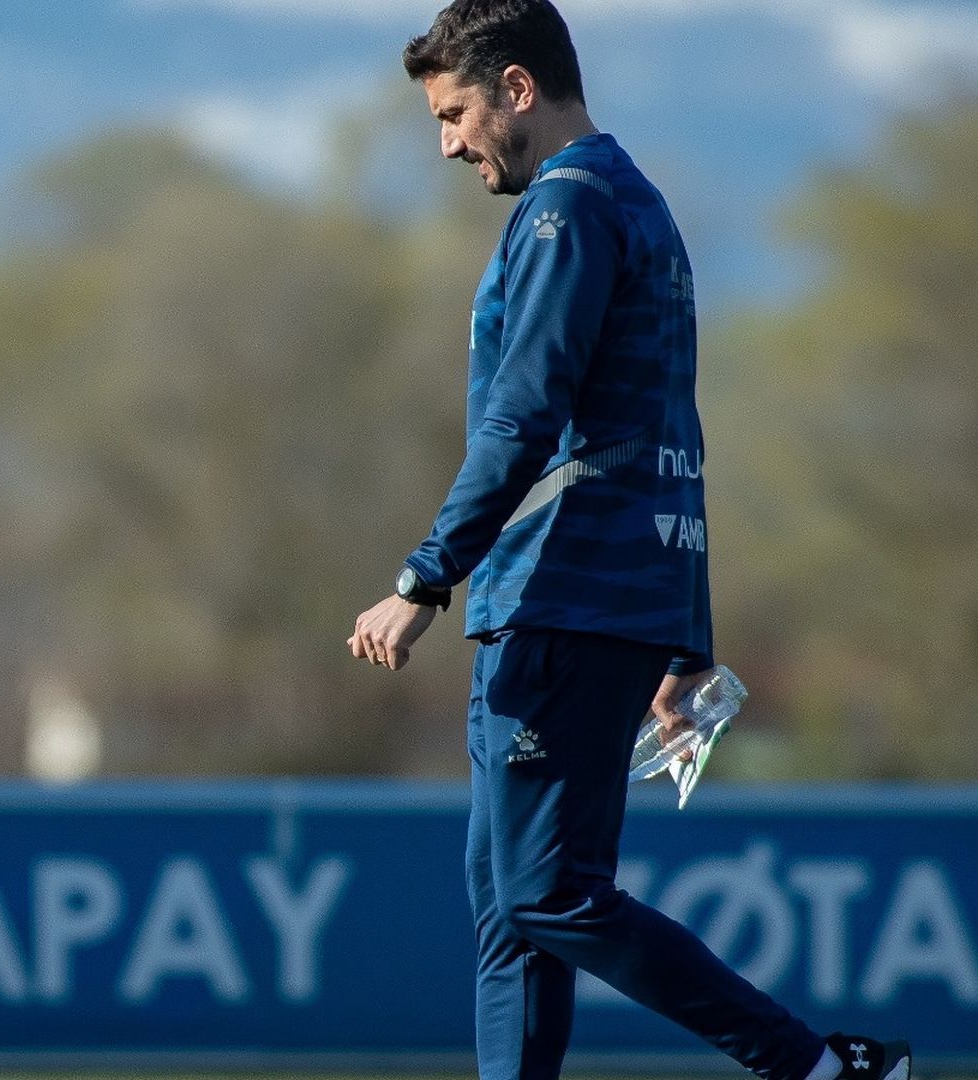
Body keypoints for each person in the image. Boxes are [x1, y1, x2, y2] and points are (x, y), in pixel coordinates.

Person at [345, 3, 912, 1079]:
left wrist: (425, 576)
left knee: (547, 894)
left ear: (518, 88)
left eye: (455, 112)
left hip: (561, 599)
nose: (448, 143)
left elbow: (523, 415)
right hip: (598, 603)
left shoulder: (568, 211)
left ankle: (819, 1068)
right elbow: (672, 441)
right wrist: (684, 639)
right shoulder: (636, 202)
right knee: (512, 912)